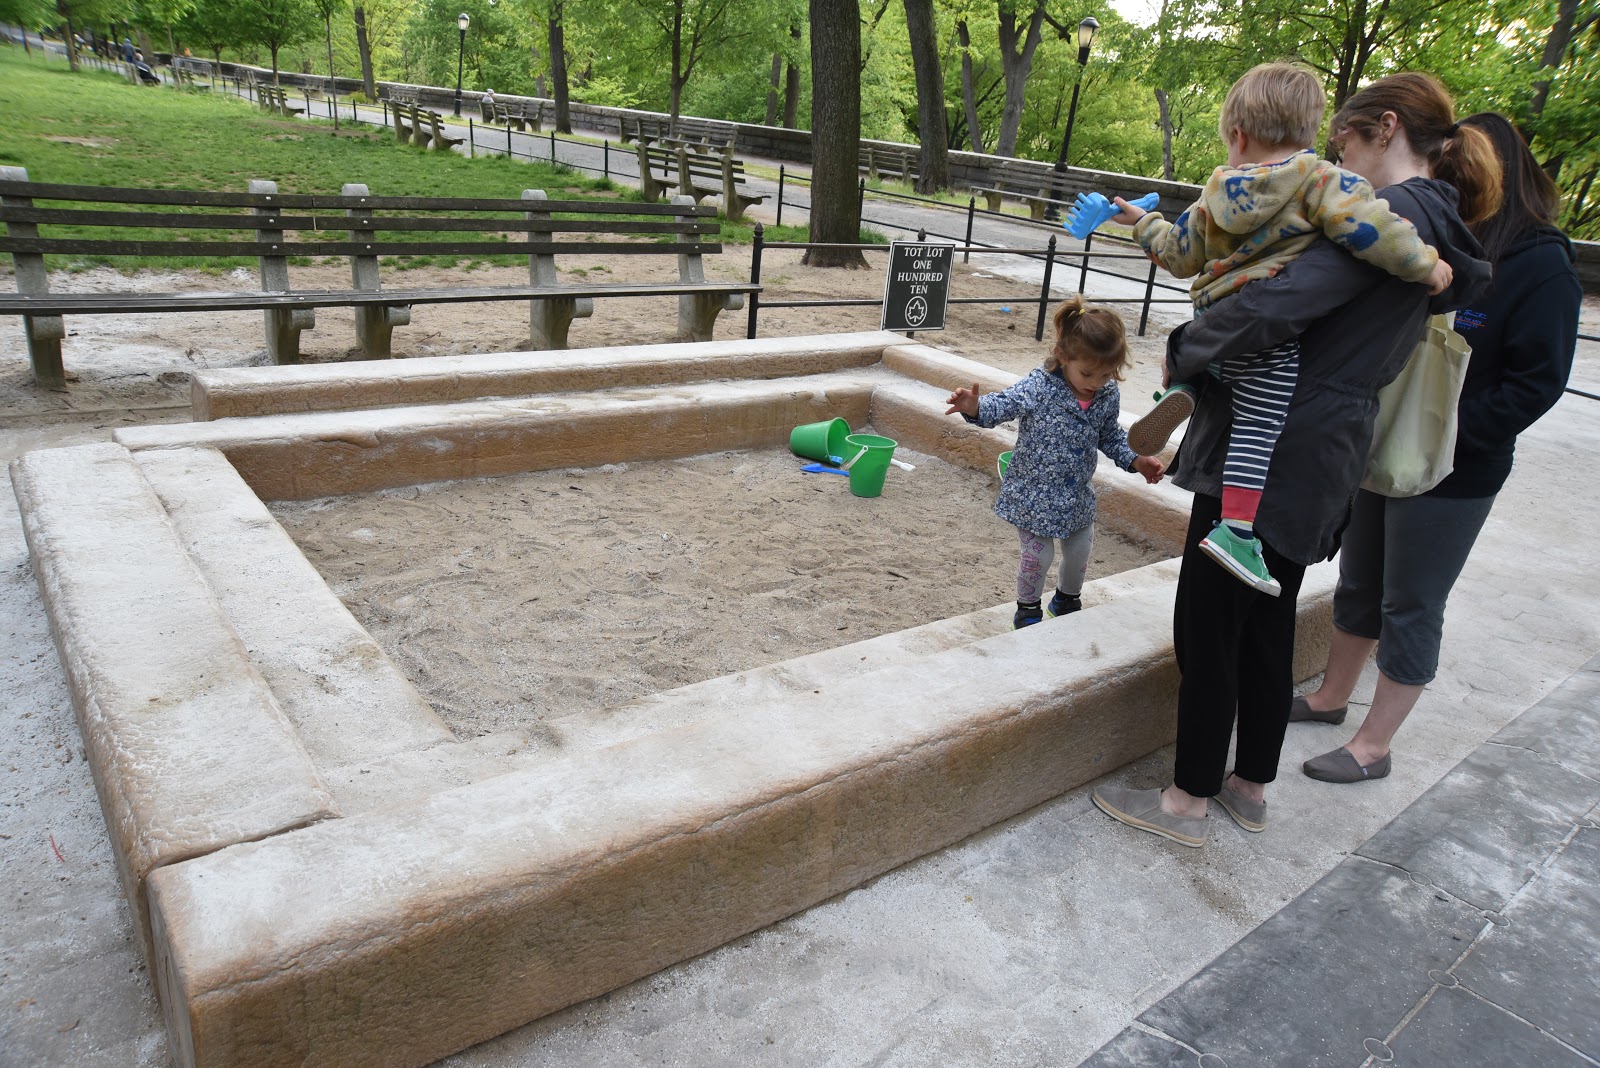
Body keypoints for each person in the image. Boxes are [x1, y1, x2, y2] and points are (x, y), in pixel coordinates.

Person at [1093, 72, 1499, 846]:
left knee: (1209, 621)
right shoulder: (1429, 226)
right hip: (1328, 442)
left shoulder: (1388, 218)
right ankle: (1251, 783)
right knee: (1266, 614)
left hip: (1276, 437)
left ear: (1384, 129)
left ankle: (1186, 801)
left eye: (1344, 138)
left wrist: (1187, 349)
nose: (1335, 154)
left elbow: (1277, 303)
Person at [1291, 110, 1580, 783]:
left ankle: (1374, 746)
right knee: (1358, 582)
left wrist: (1451, 434)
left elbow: (1537, 384)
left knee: (1412, 602)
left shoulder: (1539, 263)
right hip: (1385, 443)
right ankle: (1332, 698)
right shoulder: (1427, 239)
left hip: (1455, 470)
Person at [1110, 63, 1454, 597]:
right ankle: (1238, 529)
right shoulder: (1322, 181)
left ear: (1238, 135)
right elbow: (1371, 230)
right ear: (1311, 131)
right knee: (1260, 422)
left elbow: (1177, 255)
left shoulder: (1216, 191)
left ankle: (1186, 387)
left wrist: (1141, 223)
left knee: (1226, 375)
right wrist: (1426, 265)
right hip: (1263, 341)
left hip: (1212, 319)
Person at [945, 296, 1166, 630]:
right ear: (1063, 357)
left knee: (1079, 552)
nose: (1096, 382)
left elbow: (1110, 436)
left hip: (1076, 497)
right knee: (1039, 556)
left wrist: (1136, 460)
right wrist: (974, 407)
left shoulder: (1106, 395)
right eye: (1088, 373)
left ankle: (1066, 599)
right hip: (1033, 495)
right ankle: (1028, 608)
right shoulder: (1040, 385)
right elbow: (1004, 404)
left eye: (1106, 374)